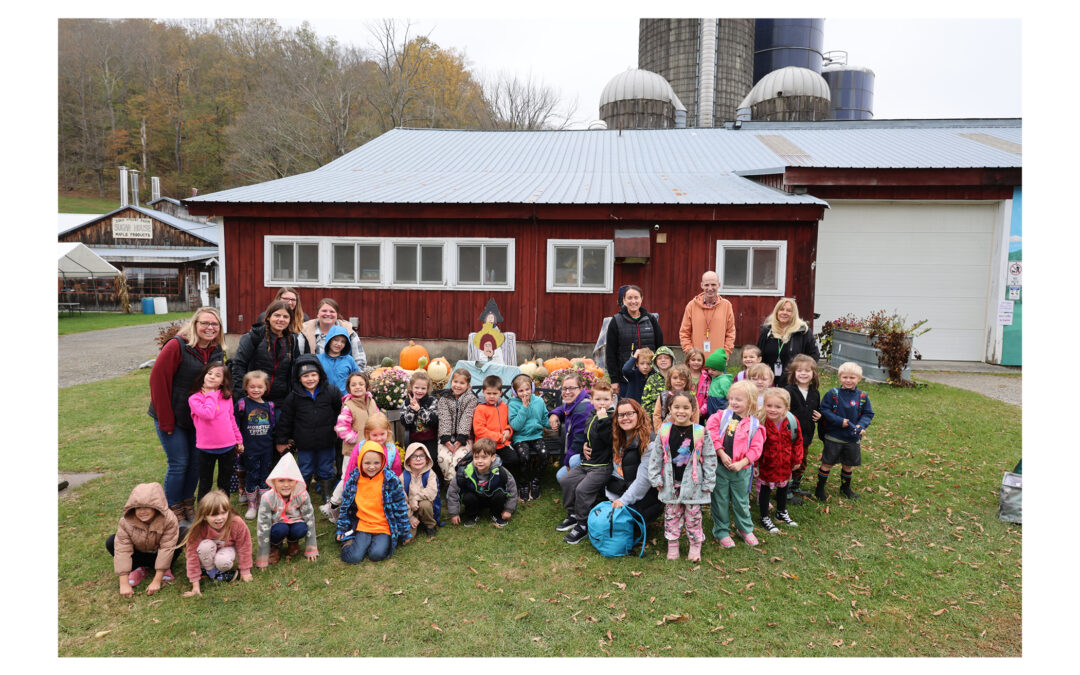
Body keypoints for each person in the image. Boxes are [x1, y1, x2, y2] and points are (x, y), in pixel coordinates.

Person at [148, 306, 226, 524]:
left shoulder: (216, 349)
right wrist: (166, 420)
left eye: (214, 324)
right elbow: (157, 382)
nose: (210, 328)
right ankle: (172, 509)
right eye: (205, 323)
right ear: (195, 325)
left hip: (198, 419)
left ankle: (186, 504)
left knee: (195, 463)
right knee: (179, 463)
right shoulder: (177, 346)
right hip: (172, 416)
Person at [647, 392, 717, 562]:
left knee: (694, 516)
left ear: (693, 410)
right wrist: (655, 478)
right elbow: (656, 456)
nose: (681, 411)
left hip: (693, 484)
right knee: (671, 515)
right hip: (670, 483)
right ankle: (673, 545)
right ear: (669, 408)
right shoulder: (664, 431)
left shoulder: (700, 432)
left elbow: (709, 458)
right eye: (676, 407)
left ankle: (695, 545)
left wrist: (709, 481)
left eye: (686, 407)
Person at [274, 355, 342, 500]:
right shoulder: (293, 397)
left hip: (326, 440)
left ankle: (326, 494)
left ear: (320, 375)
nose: (310, 379)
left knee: (326, 468)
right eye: (305, 376)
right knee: (305, 468)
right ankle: (302, 496)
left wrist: (339, 429)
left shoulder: (331, 392)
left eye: (313, 375)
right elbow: (285, 420)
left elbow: (340, 412)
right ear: (299, 378)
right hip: (304, 443)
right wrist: (281, 439)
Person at [706, 381, 764, 549]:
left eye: (739, 399)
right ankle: (722, 530)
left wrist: (743, 462)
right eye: (731, 398)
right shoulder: (721, 417)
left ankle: (744, 528)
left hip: (741, 471)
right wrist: (721, 453)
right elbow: (711, 433)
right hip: (720, 468)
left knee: (741, 500)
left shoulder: (754, 425)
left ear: (751, 402)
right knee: (720, 500)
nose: (734, 402)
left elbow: (756, 448)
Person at [556, 381, 616, 545]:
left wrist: (604, 421)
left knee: (582, 489)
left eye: (605, 399)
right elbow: (587, 435)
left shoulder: (611, 418)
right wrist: (584, 445)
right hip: (587, 463)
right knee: (566, 480)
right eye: (598, 399)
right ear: (592, 401)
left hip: (601, 467)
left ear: (612, 400)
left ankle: (582, 525)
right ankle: (574, 514)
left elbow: (610, 440)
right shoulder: (592, 415)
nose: (602, 403)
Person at [335, 441, 412, 564]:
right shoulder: (354, 480)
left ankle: (372, 543)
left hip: (383, 526)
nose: (372, 467)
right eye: (367, 463)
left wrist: (405, 533)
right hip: (363, 525)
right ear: (360, 461)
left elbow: (400, 508)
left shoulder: (391, 480)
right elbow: (345, 508)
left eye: (376, 463)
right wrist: (341, 529)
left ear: (383, 462)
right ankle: (349, 542)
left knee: (376, 554)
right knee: (353, 558)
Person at [106, 482, 179, 597]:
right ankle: (138, 568)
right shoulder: (126, 521)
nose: (142, 511)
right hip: (138, 555)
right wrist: (124, 583)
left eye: (147, 507)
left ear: (157, 507)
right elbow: (122, 550)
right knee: (111, 541)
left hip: (158, 554)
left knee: (180, 536)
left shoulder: (169, 519)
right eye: (138, 507)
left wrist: (156, 581)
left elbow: (166, 548)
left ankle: (163, 570)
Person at [815, 362, 875, 502]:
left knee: (848, 464)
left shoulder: (862, 396)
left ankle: (845, 487)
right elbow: (825, 410)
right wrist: (839, 421)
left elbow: (868, 413)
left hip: (852, 438)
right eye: (845, 377)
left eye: (852, 378)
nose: (848, 380)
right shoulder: (833, 394)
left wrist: (861, 425)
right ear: (839, 377)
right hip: (834, 437)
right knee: (827, 463)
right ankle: (820, 488)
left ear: (859, 379)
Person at [324, 373, 380, 519]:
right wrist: (356, 440)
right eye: (353, 385)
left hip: (370, 449)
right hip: (353, 450)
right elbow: (341, 428)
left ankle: (357, 507)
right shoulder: (349, 406)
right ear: (348, 388)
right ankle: (333, 505)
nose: (357, 387)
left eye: (361, 384)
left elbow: (378, 418)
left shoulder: (371, 402)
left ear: (366, 386)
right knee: (348, 477)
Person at [187, 361, 243, 502]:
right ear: (204, 375)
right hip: (206, 448)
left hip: (228, 446)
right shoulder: (195, 398)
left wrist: (239, 440)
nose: (212, 377)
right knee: (205, 483)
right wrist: (211, 395)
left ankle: (223, 510)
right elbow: (208, 414)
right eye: (209, 373)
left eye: (217, 375)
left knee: (224, 483)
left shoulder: (227, 397)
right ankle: (203, 514)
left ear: (223, 382)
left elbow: (231, 419)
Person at [180, 490, 253, 595]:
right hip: (207, 553)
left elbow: (244, 546)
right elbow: (191, 553)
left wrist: (245, 570)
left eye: (223, 513)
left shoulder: (236, 523)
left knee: (222, 561)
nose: (219, 518)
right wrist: (195, 584)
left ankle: (215, 569)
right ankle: (212, 572)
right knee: (205, 546)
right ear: (204, 516)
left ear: (228, 511)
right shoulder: (199, 527)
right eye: (213, 515)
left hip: (226, 552)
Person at [229, 300, 301, 406]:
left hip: (281, 402)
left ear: (290, 320)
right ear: (268, 317)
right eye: (277, 315)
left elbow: (295, 370)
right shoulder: (254, 337)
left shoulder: (293, 340)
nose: (281, 320)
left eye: (285, 317)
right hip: (253, 399)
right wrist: (242, 396)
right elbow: (239, 365)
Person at [255, 453, 318, 567]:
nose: (286, 485)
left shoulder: (302, 495)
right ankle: (275, 546)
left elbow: (310, 520)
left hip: (296, 523)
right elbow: (263, 526)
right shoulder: (267, 498)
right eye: (281, 481)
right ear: (274, 481)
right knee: (280, 529)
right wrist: (262, 557)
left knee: (301, 529)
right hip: (276, 525)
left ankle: (293, 541)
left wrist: (311, 548)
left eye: (290, 480)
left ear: (296, 481)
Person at [606, 399, 662, 524]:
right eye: (621, 415)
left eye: (630, 413)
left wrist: (623, 501)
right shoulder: (617, 434)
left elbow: (643, 481)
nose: (625, 418)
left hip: (642, 497)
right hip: (618, 485)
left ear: (638, 414)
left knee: (615, 522)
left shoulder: (649, 442)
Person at [757, 388, 803, 534]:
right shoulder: (761, 421)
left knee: (783, 487)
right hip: (767, 464)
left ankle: (781, 511)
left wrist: (797, 459)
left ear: (786, 408)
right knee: (765, 489)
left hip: (785, 462)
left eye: (778, 407)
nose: (772, 410)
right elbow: (755, 444)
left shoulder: (791, 421)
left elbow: (798, 441)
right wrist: (755, 463)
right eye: (769, 406)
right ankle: (764, 516)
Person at [605, 285, 663, 396]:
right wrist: (614, 380)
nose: (633, 301)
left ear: (642, 299)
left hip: (650, 378)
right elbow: (610, 353)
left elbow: (660, 348)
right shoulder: (616, 321)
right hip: (626, 379)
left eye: (636, 298)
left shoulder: (651, 320)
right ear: (624, 300)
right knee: (627, 410)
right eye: (629, 298)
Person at [446, 438, 518, 528]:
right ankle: (473, 515)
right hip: (475, 499)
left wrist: (508, 510)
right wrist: (454, 513)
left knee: (501, 494)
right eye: (476, 457)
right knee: (468, 497)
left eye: (484, 457)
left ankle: (496, 514)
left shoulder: (501, 472)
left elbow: (512, 490)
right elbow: (452, 491)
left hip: (493, 498)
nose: (479, 461)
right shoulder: (464, 471)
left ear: (493, 457)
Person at [236, 371, 276, 519]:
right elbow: (236, 424)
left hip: (266, 447)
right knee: (252, 474)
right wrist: (238, 443)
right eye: (252, 386)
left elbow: (272, 426)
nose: (256, 390)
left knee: (265, 474)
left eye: (260, 386)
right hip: (249, 447)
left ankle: (264, 503)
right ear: (246, 387)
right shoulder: (242, 403)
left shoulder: (269, 405)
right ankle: (252, 504)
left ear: (265, 388)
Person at [784, 354, 821, 505]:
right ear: (793, 373)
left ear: (813, 374)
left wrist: (820, 416)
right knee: (790, 463)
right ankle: (785, 492)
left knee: (802, 461)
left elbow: (816, 410)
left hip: (806, 435)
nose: (803, 373)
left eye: (807, 371)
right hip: (790, 435)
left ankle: (795, 487)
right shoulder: (788, 391)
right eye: (799, 370)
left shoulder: (814, 393)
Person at [756, 298, 820, 385]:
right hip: (769, 382)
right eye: (781, 309)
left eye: (789, 311)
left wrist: (802, 373)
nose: (784, 313)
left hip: (793, 382)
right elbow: (759, 355)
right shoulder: (767, 331)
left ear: (794, 314)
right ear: (776, 312)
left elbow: (814, 355)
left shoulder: (803, 331)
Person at [507, 374, 550, 502]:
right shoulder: (513, 404)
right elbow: (516, 426)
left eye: (527, 389)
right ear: (515, 392)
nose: (525, 393)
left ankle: (536, 481)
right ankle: (524, 484)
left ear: (532, 388)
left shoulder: (539, 401)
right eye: (521, 391)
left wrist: (552, 423)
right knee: (524, 456)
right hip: (520, 437)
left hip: (536, 435)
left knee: (544, 454)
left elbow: (544, 419)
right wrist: (524, 407)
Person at [678, 270, 736, 359]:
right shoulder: (691, 305)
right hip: (696, 362)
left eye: (713, 284)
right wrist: (691, 353)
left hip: (718, 361)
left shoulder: (726, 305)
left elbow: (730, 333)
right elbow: (684, 333)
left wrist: (725, 354)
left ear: (719, 285)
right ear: (702, 285)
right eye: (706, 285)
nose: (710, 288)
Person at [548, 372, 594, 482]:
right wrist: (554, 414)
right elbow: (563, 407)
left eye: (572, 388)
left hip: (590, 455)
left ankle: (591, 487)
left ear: (581, 388)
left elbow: (578, 443)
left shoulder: (583, 409)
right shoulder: (575, 402)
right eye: (564, 388)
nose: (567, 392)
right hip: (580, 452)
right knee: (561, 476)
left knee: (569, 467)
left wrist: (566, 462)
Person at [298, 298, 367, 369]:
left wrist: (356, 378)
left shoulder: (348, 331)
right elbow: (298, 358)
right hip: (314, 377)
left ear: (337, 315)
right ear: (318, 314)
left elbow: (360, 360)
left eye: (332, 311)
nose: (328, 314)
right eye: (324, 311)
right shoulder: (305, 330)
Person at [436, 368, 478, 483]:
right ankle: (453, 483)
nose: (458, 385)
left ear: (468, 385)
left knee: (458, 459)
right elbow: (444, 418)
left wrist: (461, 438)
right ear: (451, 382)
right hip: (446, 437)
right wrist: (445, 439)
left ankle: (453, 485)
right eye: (455, 382)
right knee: (443, 459)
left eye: (462, 383)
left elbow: (467, 418)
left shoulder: (471, 399)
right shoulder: (445, 398)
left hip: (464, 438)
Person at [473, 375, 517, 477]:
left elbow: (509, 424)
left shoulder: (504, 407)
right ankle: (489, 483)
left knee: (513, 459)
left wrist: (508, 431)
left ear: (500, 393)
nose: (492, 396)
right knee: (489, 464)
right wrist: (499, 437)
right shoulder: (480, 408)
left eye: (495, 393)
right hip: (485, 445)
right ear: (483, 392)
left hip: (502, 444)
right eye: (488, 393)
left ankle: (509, 483)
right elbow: (479, 430)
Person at [401, 442, 441, 539]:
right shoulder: (403, 477)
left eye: (421, 456)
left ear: (427, 459)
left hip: (425, 506)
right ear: (408, 461)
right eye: (413, 456)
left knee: (425, 504)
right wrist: (410, 516)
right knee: (408, 537)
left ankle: (430, 525)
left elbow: (431, 491)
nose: (418, 459)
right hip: (410, 509)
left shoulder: (430, 474)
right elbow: (401, 499)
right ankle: (414, 522)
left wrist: (416, 498)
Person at [400, 370, 439, 458]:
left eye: (423, 388)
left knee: (432, 458)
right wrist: (412, 409)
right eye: (416, 388)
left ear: (427, 389)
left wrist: (419, 410)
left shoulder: (432, 401)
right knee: (415, 460)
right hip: (414, 440)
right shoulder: (406, 403)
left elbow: (434, 421)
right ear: (411, 387)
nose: (419, 391)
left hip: (431, 440)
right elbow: (405, 422)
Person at [652, 364, 700, 430]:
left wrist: (693, 431)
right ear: (669, 379)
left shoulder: (691, 397)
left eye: (682, 378)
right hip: (666, 432)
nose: (678, 381)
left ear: (687, 380)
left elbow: (695, 416)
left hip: (686, 432)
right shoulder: (663, 396)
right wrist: (659, 430)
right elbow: (656, 415)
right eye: (675, 378)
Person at [316, 325, 359, 395]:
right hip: (324, 399)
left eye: (343, 342)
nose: (339, 344)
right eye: (336, 340)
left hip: (345, 400)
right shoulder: (318, 359)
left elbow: (357, 378)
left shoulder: (349, 360)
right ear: (329, 340)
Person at [641, 346, 675, 415]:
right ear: (655, 362)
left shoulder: (677, 377)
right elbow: (645, 401)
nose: (663, 360)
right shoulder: (652, 379)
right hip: (655, 418)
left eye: (666, 358)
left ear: (672, 360)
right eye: (659, 358)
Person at [703, 348, 734, 417]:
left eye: (713, 370)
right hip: (712, 407)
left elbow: (729, 396)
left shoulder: (724, 381)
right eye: (708, 369)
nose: (710, 371)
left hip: (720, 408)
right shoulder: (714, 376)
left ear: (721, 369)